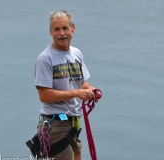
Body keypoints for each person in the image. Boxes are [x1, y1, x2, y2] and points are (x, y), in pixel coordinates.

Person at [34, 10, 100, 160]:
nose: (61, 33)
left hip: (73, 123)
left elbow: (81, 82)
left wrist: (90, 89)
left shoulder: (76, 53)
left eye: (65, 28)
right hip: (56, 125)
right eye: (56, 29)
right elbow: (44, 95)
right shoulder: (45, 58)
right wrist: (77, 93)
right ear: (51, 32)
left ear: (73, 28)